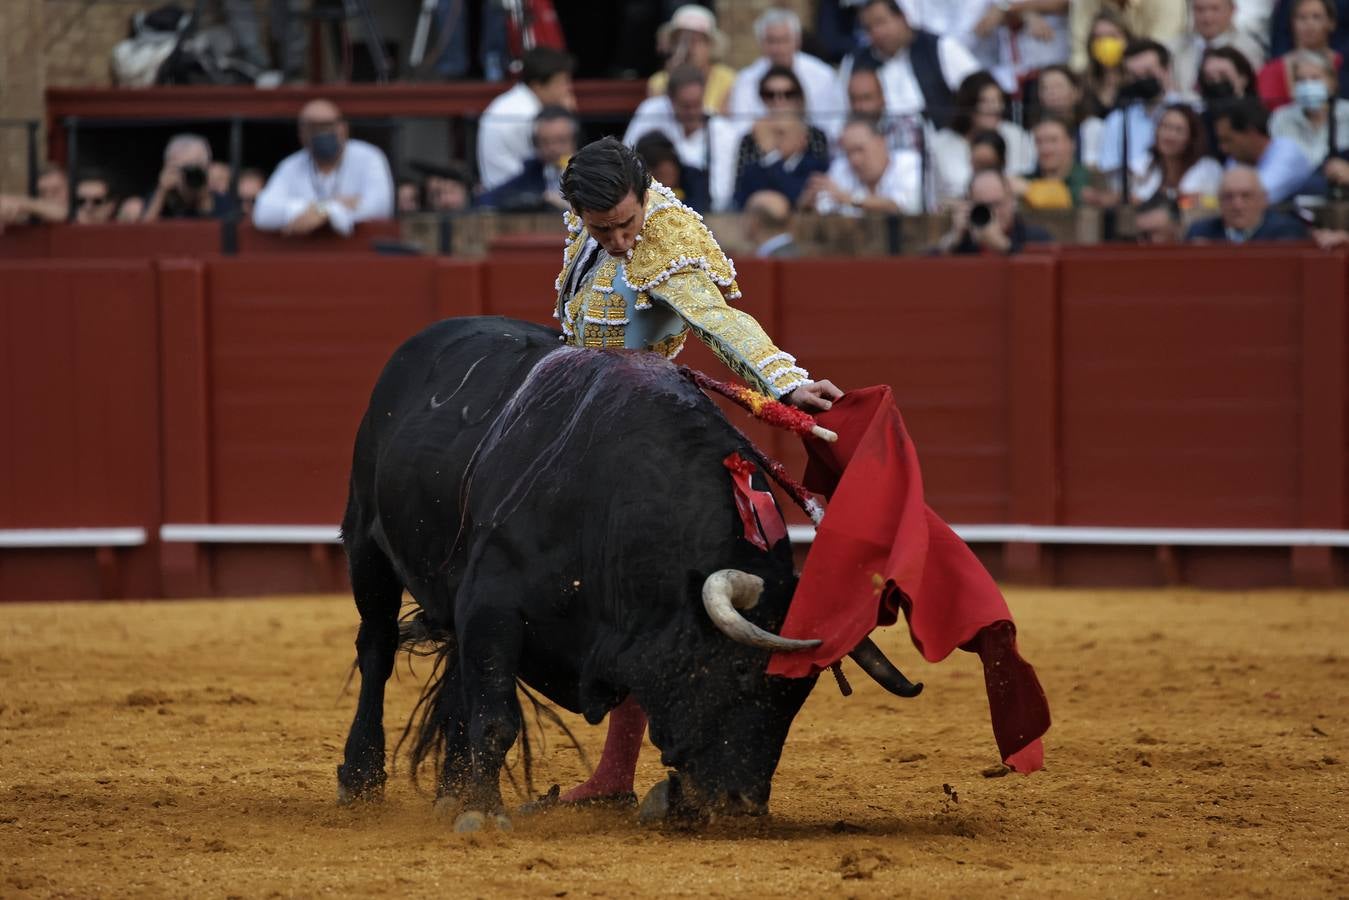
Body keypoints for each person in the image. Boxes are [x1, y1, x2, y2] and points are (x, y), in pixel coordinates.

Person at [548, 136, 842, 806]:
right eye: (604, 230)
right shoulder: (587, 222)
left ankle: (639, 768)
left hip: (641, 439)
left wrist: (785, 383)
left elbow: (718, 323)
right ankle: (615, 772)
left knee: (635, 601)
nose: (620, 241)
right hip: (580, 421)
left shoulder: (667, 238)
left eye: (625, 223)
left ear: (643, 196)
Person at [252, 99, 394, 235]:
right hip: (304, 253)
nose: (323, 133)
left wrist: (318, 212)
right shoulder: (290, 165)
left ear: (344, 128)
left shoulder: (369, 157)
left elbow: (379, 208)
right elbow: (263, 212)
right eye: (315, 128)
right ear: (301, 133)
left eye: (328, 126)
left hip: (358, 254)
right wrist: (327, 208)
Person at [840, 0, 981, 128]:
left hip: (942, 141)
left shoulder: (939, 48)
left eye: (881, 22)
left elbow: (979, 90)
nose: (876, 32)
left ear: (903, 17)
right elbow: (842, 114)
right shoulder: (856, 61)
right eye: (868, 28)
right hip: (880, 146)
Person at [728, 9, 848, 137]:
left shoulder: (823, 75)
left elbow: (835, 123)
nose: (778, 48)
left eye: (784, 40)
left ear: (797, 41)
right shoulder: (746, 79)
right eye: (771, 41)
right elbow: (741, 127)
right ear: (761, 43)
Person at [929, 70, 1038, 204]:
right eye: (985, 101)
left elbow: (1025, 183)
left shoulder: (1016, 135)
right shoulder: (940, 143)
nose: (995, 107)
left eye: (999, 100)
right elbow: (932, 195)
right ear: (968, 105)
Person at [732, 66, 832, 209]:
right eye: (770, 94)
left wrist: (772, 155)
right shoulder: (750, 141)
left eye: (788, 94)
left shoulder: (815, 138)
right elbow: (742, 198)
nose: (779, 101)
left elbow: (805, 196)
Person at [477, 47, 576, 191]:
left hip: (509, 189)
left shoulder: (514, 101)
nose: (567, 89)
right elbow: (553, 167)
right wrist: (567, 114)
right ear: (538, 86)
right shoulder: (528, 113)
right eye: (561, 83)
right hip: (512, 197)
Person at [1096, 39, 1194, 180]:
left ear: (1166, 69)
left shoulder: (1191, 111)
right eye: (1135, 76)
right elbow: (1109, 170)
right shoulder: (1118, 119)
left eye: (1148, 73)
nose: (1142, 80)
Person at [801, 117, 923, 215]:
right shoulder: (841, 167)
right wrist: (809, 203)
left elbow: (900, 206)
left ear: (881, 143)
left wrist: (851, 199)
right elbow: (824, 207)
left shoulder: (909, 163)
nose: (854, 160)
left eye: (859, 150)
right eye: (848, 153)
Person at [1269, 49, 1349, 190]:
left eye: (1315, 78)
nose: (1308, 85)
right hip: (1295, 193)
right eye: (1301, 80)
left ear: (1332, 82)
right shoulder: (1281, 118)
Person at [1211, 96, 1317, 201]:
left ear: (1251, 133)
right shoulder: (1236, 160)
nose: (1223, 148)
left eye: (1228, 140)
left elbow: (1254, 197)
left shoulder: (1287, 152)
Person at [1122, 103, 1225, 206]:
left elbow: (1213, 204)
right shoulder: (1142, 165)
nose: (1170, 136)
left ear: (1191, 137)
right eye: (1165, 127)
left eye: (1178, 130)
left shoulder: (1209, 169)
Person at [476, 107, 577, 211]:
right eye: (545, 142)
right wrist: (538, 199)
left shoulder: (585, 172)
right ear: (535, 144)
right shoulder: (532, 172)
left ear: (574, 141)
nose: (553, 148)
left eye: (561, 141)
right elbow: (487, 199)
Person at [933, 168, 1054, 253]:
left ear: (1011, 201)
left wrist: (1004, 246)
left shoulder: (1036, 238)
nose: (992, 212)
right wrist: (952, 241)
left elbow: (1039, 271)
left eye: (997, 204)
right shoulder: (962, 244)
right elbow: (925, 273)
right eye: (983, 206)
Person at [1260, 0, 1349, 108]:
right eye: (1302, 18)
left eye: (1316, 17)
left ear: (1331, 23)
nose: (1309, 24)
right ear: (1292, 23)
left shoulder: (1344, 65)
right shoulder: (1271, 71)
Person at [967, 0, 1072, 91]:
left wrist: (1012, 7)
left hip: (1052, 60)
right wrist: (1026, 14)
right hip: (1012, 68)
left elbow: (1066, 3)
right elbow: (990, 21)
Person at [648, 5, 737, 113]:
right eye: (680, 41)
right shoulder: (658, 82)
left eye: (696, 40)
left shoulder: (729, 80)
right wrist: (671, 82)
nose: (688, 48)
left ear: (710, 46)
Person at [1185, 164, 1311, 239]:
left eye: (1246, 196)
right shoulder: (1201, 233)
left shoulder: (1286, 232)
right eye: (1229, 197)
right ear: (1219, 201)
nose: (1237, 205)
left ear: (1263, 199)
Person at [1171, 0, 1266, 93]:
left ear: (1232, 10)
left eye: (1215, 9)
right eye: (1200, 9)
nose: (1207, 17)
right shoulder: (1174, 48)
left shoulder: (1249, 49)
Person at [1069, 0, 1189, 72]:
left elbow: (1161, 49)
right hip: (1101, 75)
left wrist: (1128, 69)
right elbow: (1080, 52)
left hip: (1156, 71)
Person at [142, 134, 233, 221]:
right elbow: (143, 233)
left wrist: (204, 197)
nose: (188, 176)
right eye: (182, 170)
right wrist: (161, 192)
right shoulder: (162, 200)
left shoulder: (223, 202)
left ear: (207, 169)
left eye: (195, 168)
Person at [1032, 64, 1105, 165]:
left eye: (1058, 86)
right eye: (1045, 88)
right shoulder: (1034, 131)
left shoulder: (1094, 128)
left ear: (1077, 92)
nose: (1052, 93)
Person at [1021, 117, 1091, 208]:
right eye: (1039, 141)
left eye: (1053, 140)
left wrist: (1028, 189)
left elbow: (1074, 196)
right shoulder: (1026, 179)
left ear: (1072, 144)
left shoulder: (1090, 179)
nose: (1045, 149)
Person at [1080, 9, 1133, 117]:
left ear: (1127, 39)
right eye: (1098, 38)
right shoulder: (1083, 82)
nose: (1105, 43)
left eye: (1112, 36)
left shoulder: (1140, 79)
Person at [0, 165, 68, 228]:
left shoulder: (76, 214)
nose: (48, 196)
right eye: (42, 192)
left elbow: (66, 213)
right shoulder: (31, 219)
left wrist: (20, 202)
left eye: (56, 191)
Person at [742, 189, 799, 258]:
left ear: (755, 221)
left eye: (747, 214)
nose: (742, 220)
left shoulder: (779, 258)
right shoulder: (796, 252)